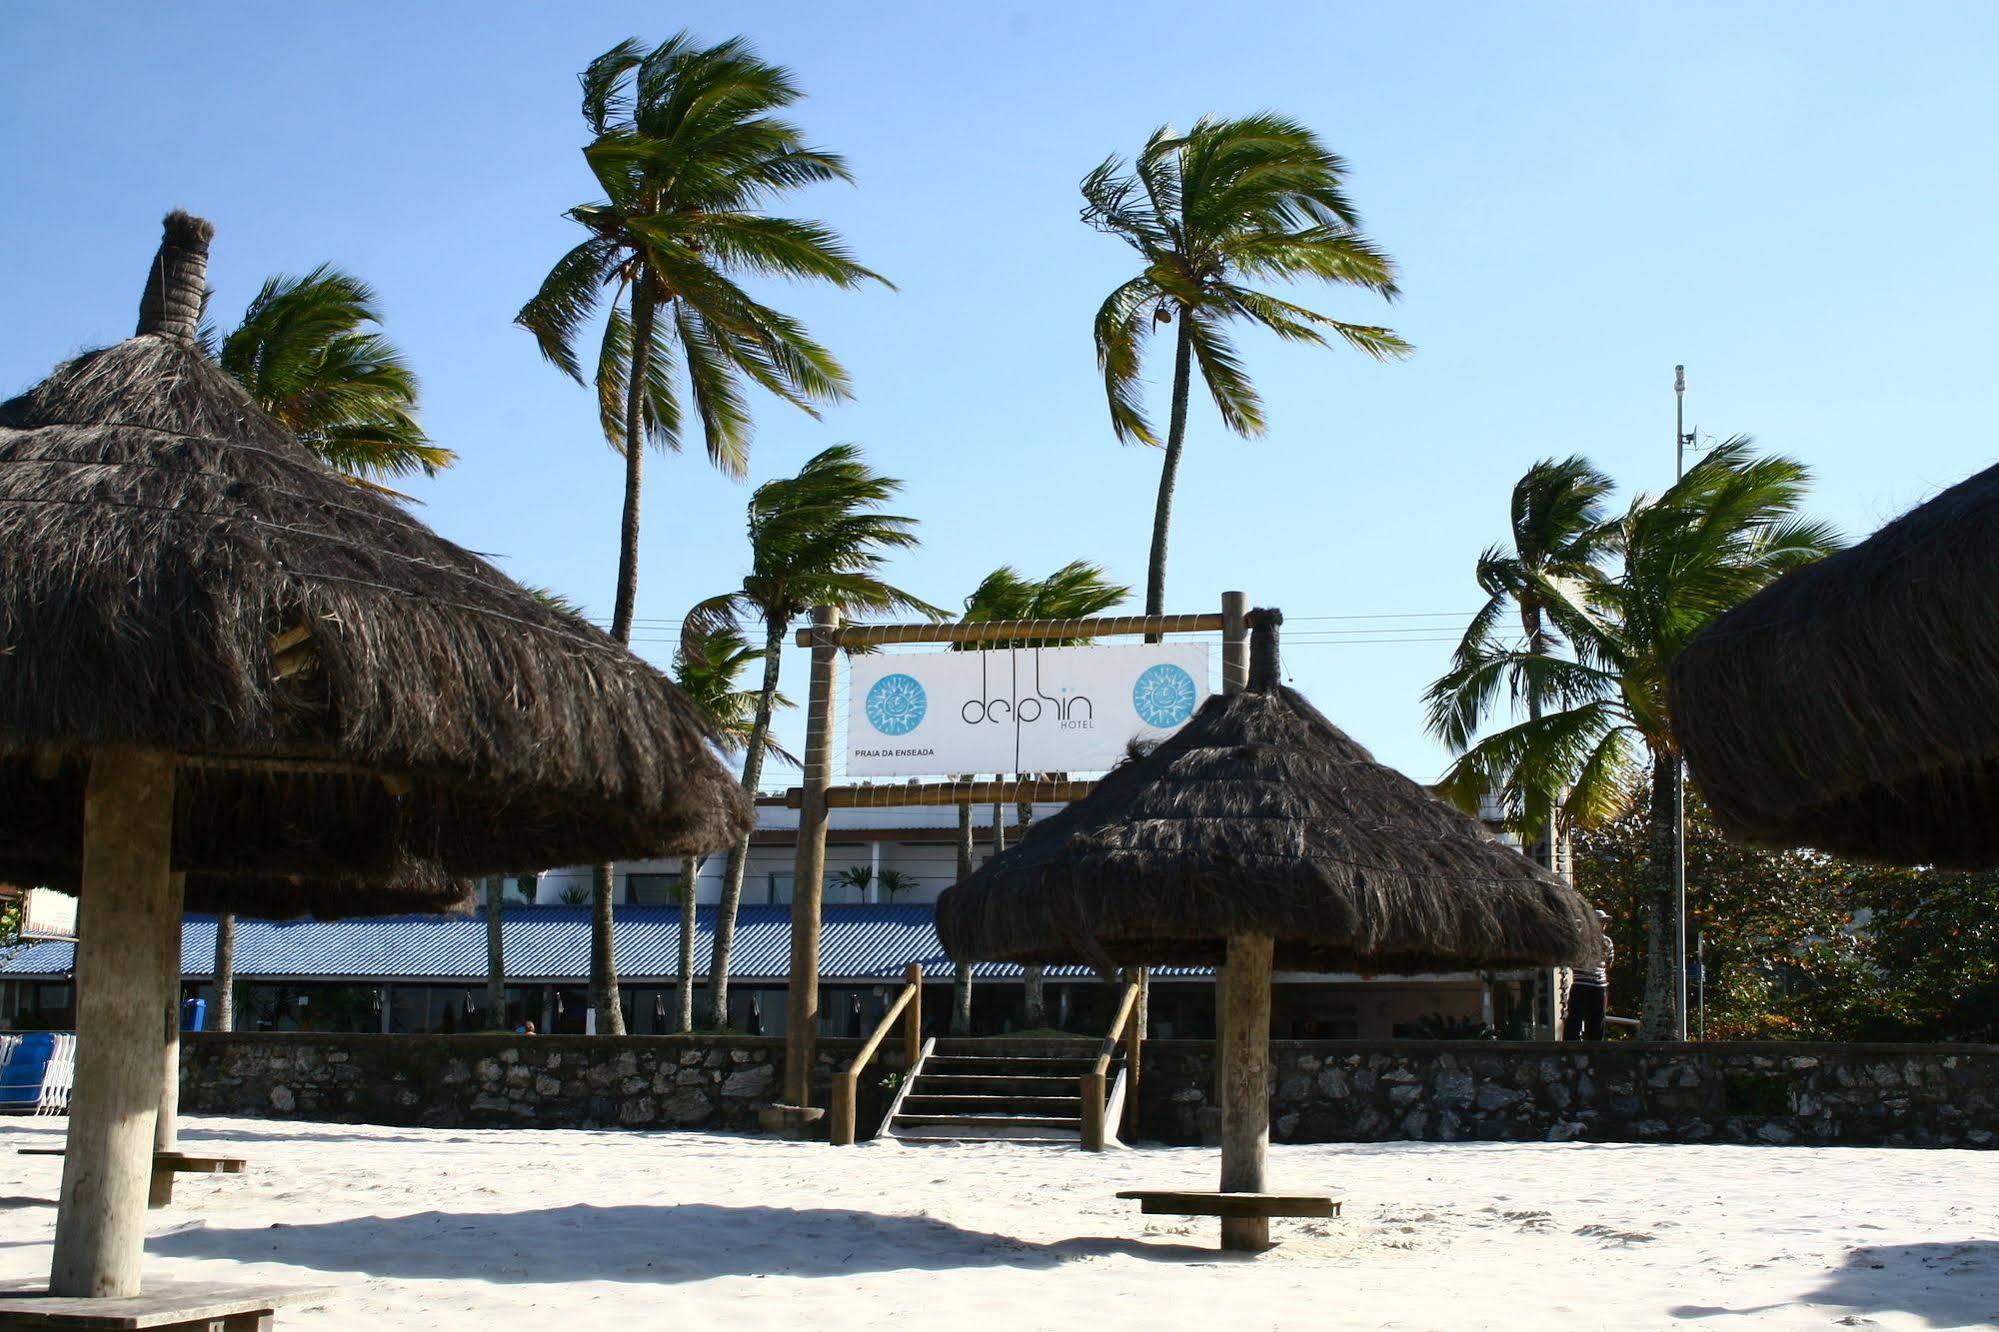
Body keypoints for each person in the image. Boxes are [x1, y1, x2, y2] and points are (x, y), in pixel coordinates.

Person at [1565, 911, 1613, 1040]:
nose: (1602, 925)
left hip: (1590, 984)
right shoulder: (1603, 942)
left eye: (1603, 922)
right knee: (1582, 1017)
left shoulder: (1603, 942)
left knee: (1591, 1018)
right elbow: (1609, 964)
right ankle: (1575, 1045)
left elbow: (1571, 961)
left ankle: (1585, 1046)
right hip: (1591, 984)